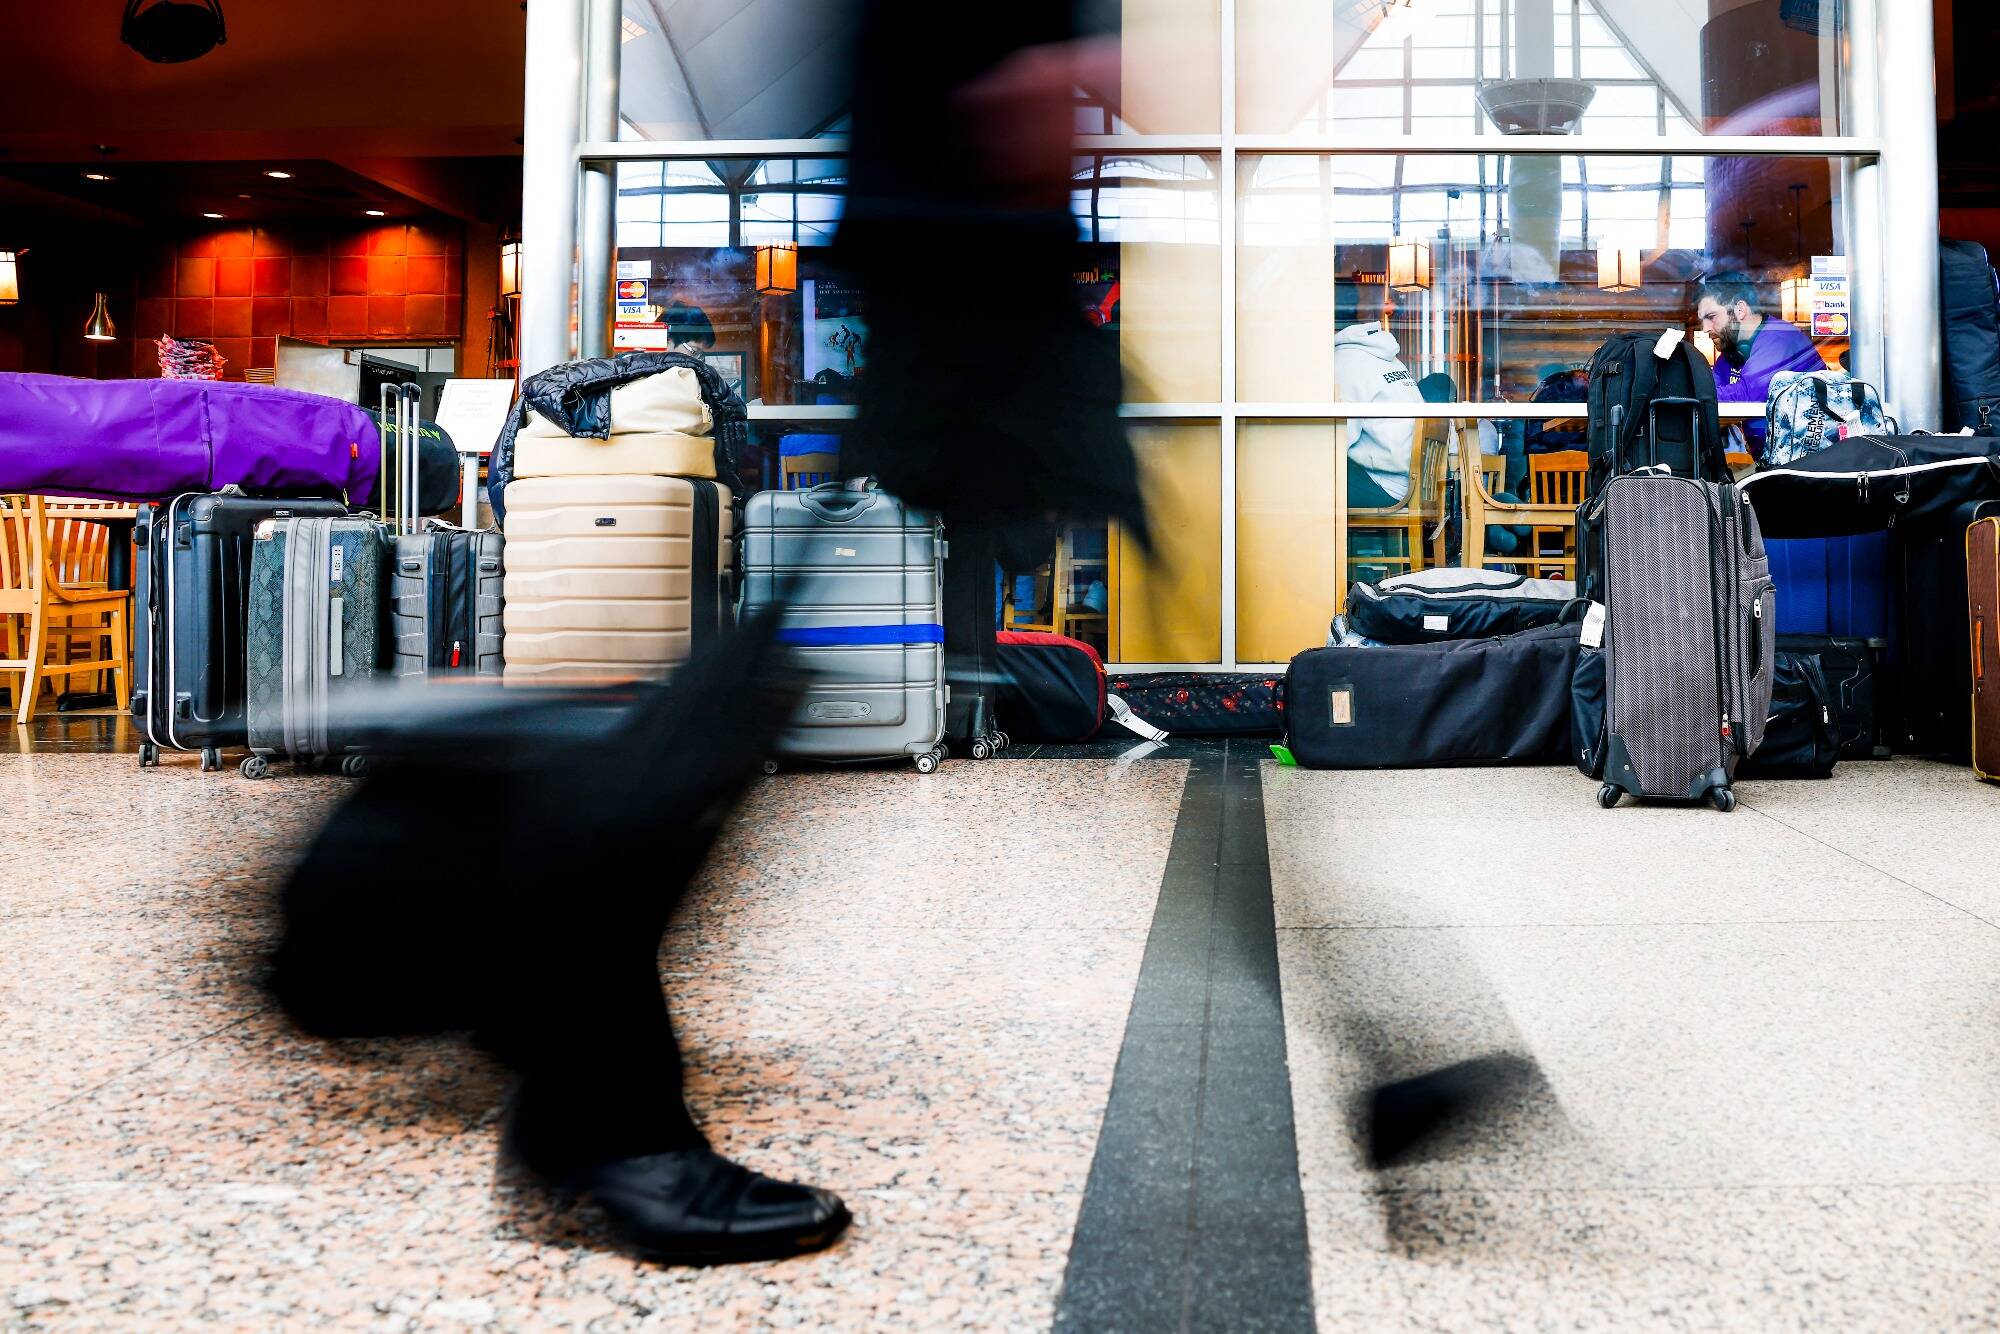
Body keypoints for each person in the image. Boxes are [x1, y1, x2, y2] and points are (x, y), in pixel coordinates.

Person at [267, 615, 852, 1267]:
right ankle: (615, 1143)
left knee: (714, 711)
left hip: (402, 934)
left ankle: (585, 1114)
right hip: (371, 952)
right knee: (667, 765)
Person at [1695, 274, 1825, 457]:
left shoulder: (1779, 337)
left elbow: (1745, 396)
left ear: (1739, 310)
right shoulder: (1732, 352)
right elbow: (1711, 391)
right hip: (1770, 460)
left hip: (1806, 465)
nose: (1705, 328)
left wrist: (1690, 394)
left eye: (1711, 316)